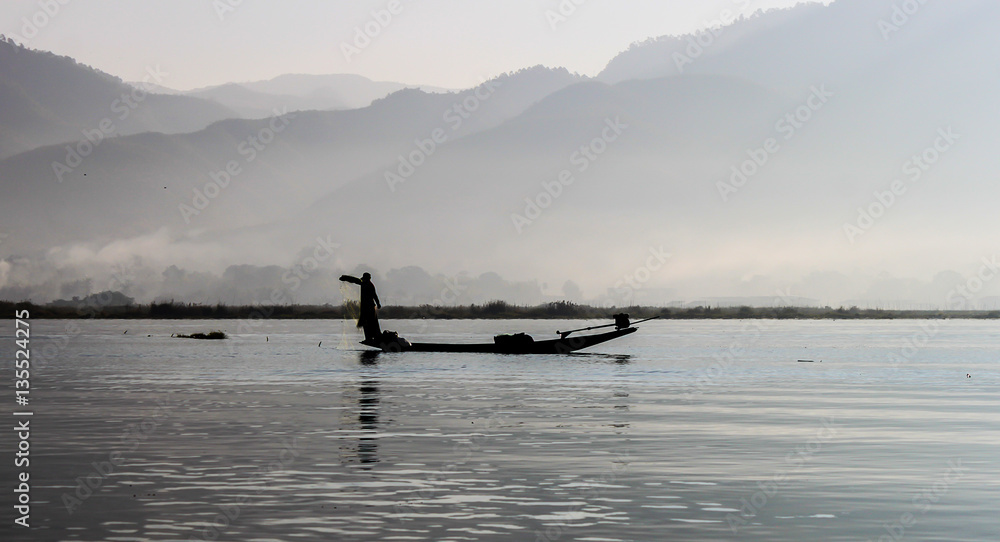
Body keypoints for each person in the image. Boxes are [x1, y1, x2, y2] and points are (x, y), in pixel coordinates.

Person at [340, 272, 382, 342]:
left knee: (368, 322)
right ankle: (371, 338)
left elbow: (374, 295)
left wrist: (345, 278)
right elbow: (355, 280)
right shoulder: (367, 284)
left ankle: (371, 338)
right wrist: (378, 304)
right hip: (368, 307)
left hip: (368, 307)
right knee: (369, 322)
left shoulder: (367, 284)